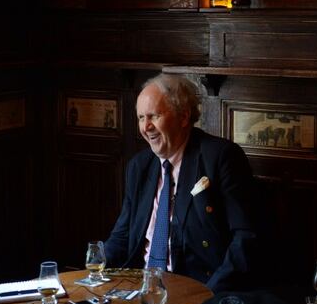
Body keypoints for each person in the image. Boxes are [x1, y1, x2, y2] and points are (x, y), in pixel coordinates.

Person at [104, 73, 259, 292]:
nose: (145, 127)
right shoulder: (139, 166)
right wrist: (95, 271)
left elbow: (245, 238)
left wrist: (208, 297)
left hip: (197, 288)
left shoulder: (220, 157)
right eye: (141, 118)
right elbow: (123, 235)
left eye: (153, 116)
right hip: (138, 287)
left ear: (184, 117)